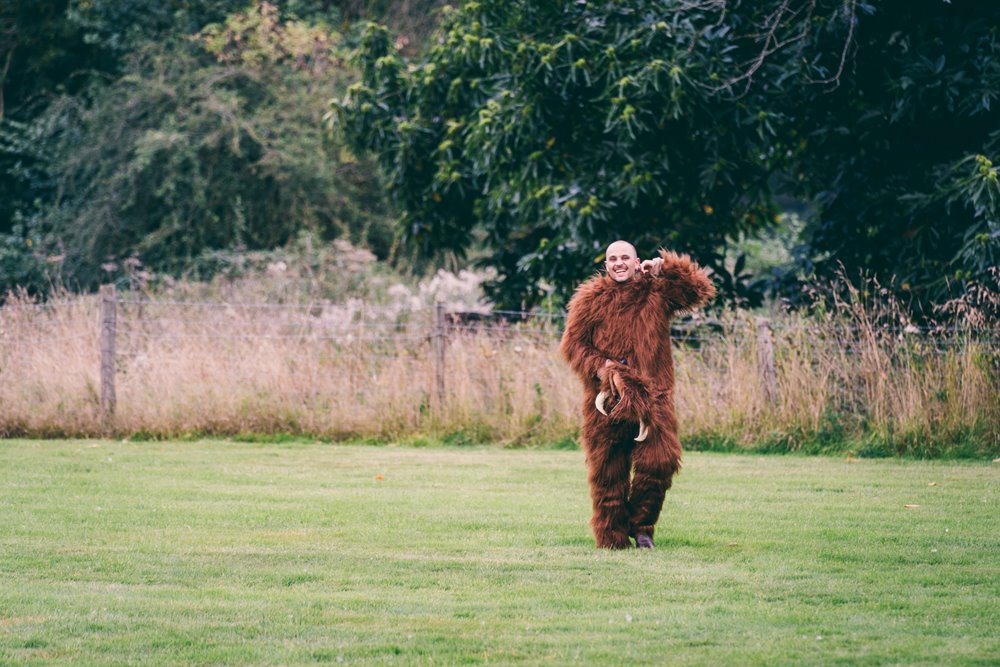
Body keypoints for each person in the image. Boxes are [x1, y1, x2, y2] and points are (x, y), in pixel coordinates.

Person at [560, 240, 715, 549]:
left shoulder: (656, 292)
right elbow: (573, 345)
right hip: (606, 399)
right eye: (612, 258)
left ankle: (642, 527)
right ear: (606, 264)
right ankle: (611, 536)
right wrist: (602, 367)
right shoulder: (590, 300)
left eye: (624, 257)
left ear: (635, 262)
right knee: (608, 470)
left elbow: (699, 290)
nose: (619, 263)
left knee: (660, 462)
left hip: (652, 397)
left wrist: (665, 268)